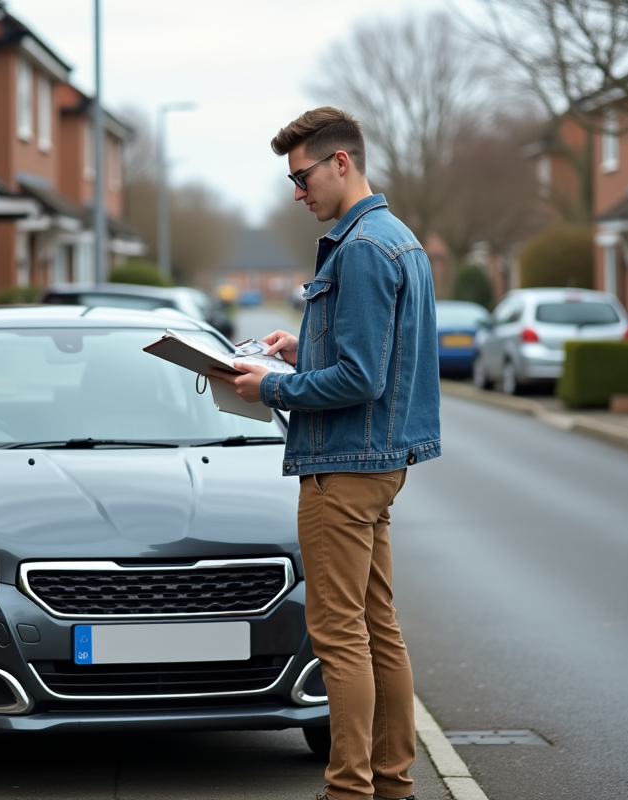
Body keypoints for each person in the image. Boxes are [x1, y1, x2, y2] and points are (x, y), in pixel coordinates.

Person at [209, 107, 440, 800]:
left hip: (343, 468)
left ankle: (349, 790)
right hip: (377, 463)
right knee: (377, 629)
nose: (297, 190)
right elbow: (368, 357)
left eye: (302, 175)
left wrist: (270, 386)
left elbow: (362, 378)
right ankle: (391, 783)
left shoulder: (363, 248)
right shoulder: (396, 239)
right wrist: (297, 345)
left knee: (339, 638)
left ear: (342, 163)